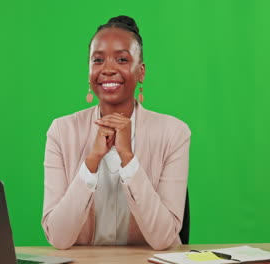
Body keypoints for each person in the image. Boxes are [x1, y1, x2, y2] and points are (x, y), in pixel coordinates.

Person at [42, 15, 191, 251]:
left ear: (141, 72)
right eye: (98, 60)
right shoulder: (61, 131)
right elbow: (59, 238)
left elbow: (163, 238)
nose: (108, 69)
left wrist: (128, 158)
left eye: (122, 59)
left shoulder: (173, 133)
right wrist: (91, 161)